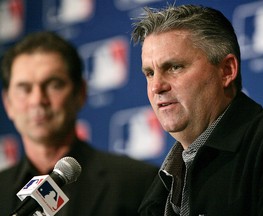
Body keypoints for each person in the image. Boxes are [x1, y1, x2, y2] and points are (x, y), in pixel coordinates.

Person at [131, 4, 263, 216]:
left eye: (174, 67)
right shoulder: (159, 191)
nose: (156, 86)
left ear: (226, 70)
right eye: (149, 73)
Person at [0, 31, 158, 216]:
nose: (37, 100)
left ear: (80, 93)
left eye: (53, 84)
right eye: (24, 88)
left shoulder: (138, 182)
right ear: (8, 103)